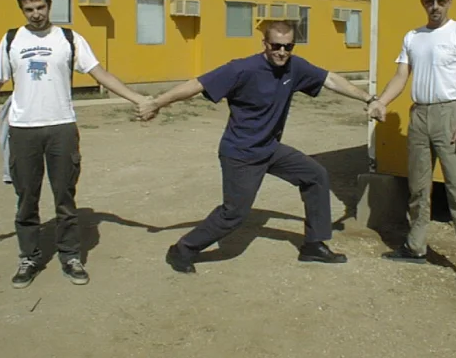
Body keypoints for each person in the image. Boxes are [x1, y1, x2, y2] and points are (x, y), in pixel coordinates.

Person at [0, 0, 153, 289]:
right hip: (23, 130)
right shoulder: (12, 39)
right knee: (27, 198)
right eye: (29, 9)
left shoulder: (69, 39)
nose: (36, 14)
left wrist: (138, 98)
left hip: (61, 128)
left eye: (40, 7)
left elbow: (100, 74)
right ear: (22, 10)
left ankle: (70, 256)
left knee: (64, 196)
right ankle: (29, 257)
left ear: (50, 5)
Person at [137, 21, 377, 273]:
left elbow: (331, 80)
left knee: (315, 175)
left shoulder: (295, 67)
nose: (282, 52)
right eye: (276, 46)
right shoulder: (242, 69)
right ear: (265, 44)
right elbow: (197, 85)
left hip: (270, 148)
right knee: (234, 214)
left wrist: (369, 98)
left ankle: (313, 245)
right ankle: (182, 249)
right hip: (241, 153)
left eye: (288, 46)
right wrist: (157, 103)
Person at [368, 0, 456, 282]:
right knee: (419, 188)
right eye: (429, 1)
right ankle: (415, 246)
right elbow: (401, 76)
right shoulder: (413, 37)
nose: (435, 7)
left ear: (449, 2)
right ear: (422, 2)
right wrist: (381, 101)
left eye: (441, 1)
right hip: (419, 115)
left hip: (450, 115)